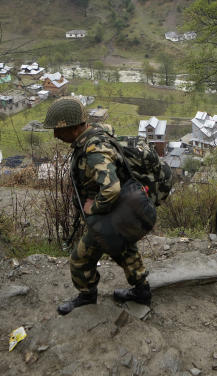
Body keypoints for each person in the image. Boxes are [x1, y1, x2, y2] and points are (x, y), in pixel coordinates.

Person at [45, 97, 151, 315]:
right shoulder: (94, 135)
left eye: (58, 129)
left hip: (109, 213)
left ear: (74, 128)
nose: (55, 135)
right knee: (125, 249)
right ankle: (142, 291)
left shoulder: (94, 150)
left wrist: (93, 208)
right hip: (118, 212)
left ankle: (86, 296)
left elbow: (111, 189)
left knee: (80, 258)